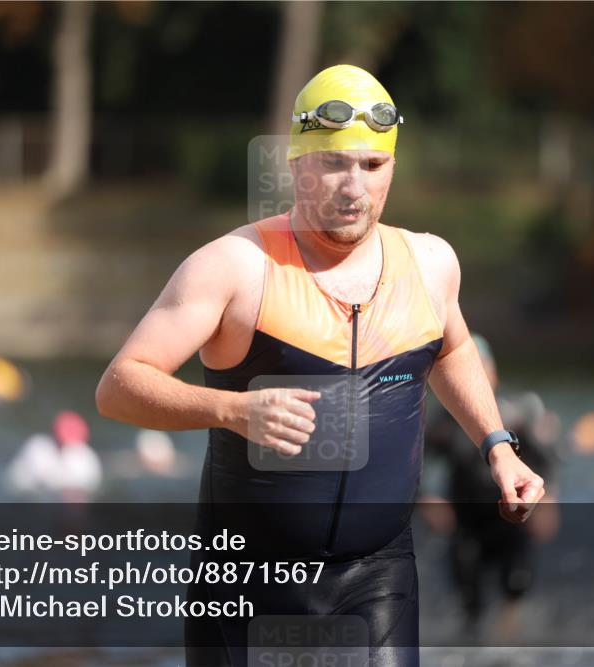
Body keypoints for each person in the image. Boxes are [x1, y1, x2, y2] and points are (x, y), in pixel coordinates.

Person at [96, 64, 545, 667]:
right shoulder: (235, 267)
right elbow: (120, 386)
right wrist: (231, 409)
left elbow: (454, 349)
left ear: (392, 168)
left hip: (377, 578)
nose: (353, 186)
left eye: (372, 165)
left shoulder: (431, 264)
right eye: (334, 163)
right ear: (297, 165)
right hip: (248, 583)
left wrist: (497, 446)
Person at [420, 334, 560, 642]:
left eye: (483, 370)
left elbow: (546, 462)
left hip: (508, 519)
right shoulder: (443, 425)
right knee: (468, 595)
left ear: (493, 374)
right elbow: (416, 465)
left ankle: (510, 639)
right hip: (466, 521)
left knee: (516, 581)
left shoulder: (516, 417)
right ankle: (472, 646)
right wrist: (427, 498)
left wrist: (549, 500)